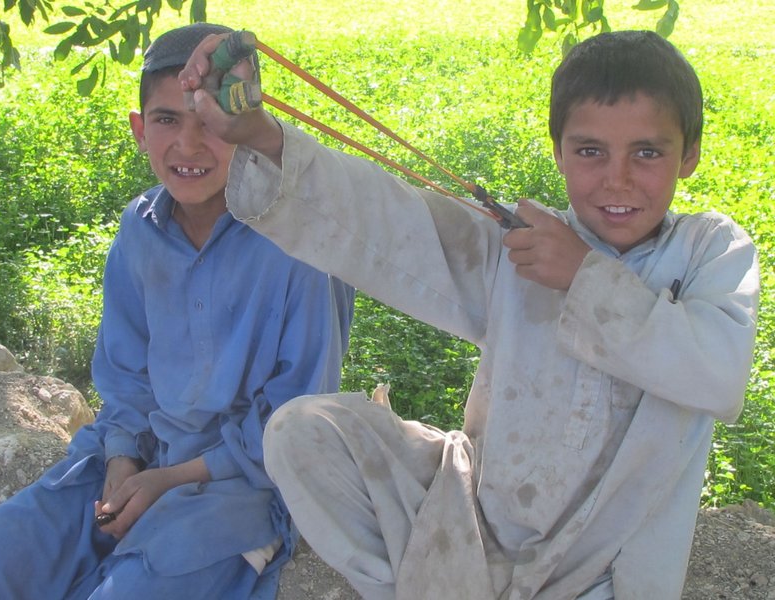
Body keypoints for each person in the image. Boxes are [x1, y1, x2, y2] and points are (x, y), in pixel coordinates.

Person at [180, 30, 759, 599]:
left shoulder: (711, 251)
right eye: (590, 151)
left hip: (603, 569)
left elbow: (718, 374)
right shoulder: (523, 245)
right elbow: (393, 222)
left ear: (689, 156)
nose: (617, 178)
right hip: (475, 523)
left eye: (647, 152)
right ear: (558, 152)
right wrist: (260, 135)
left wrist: (584, 276)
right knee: (302, 432)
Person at [0, 23, 354, 600]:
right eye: (168, 119)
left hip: (243, 484)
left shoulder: (300, 244)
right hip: (138, 453)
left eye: (212, 123)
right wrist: (125, 461)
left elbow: (294, 419)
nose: (189, 145)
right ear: (138, 129)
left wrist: (169, 480)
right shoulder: (140, 229)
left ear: (250, 129)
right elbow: (127, 379)